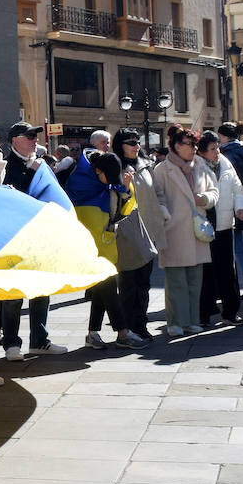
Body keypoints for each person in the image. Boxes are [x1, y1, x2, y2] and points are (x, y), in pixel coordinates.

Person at [2, 121, 67, 359]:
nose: (35, 140)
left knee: (42, 289)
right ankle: (11, 343)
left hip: (39, 235)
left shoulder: (40, 163)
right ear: (15, 140)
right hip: (15, 236)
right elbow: (13, 193)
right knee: (13, 294)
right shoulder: (6, 164)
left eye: (35, 136)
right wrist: (32, 170)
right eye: (30, 136)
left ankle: (40, 340)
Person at [153, 125, 218, 336]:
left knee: (194, 278)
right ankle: (175, 322)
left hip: (196, 229)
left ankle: (191, 320)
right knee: (175, 280)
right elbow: (157, 196)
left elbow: (214, 189)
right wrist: (165, 214)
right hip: (174, 229)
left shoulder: (200, 164)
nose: (193, 149)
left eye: (194, 144)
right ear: (176, 146)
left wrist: (206, 199)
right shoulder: (163, 169)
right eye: (189, 145)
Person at [64, 149, 130, 348]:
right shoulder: (80, 180)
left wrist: (124, 188)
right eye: (106, 178)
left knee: (103, 288)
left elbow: (122, 204)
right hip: (91, 241)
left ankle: (93, 334)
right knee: (108, 285)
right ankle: (123, 332)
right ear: (97, 170)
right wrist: (120, 188)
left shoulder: (101, 175)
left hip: (103, 239)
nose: (108, 182)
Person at [197, 130, 243, 326]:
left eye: (217, 147)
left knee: (228, 270)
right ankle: (204, 313)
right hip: (204, 226)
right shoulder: (195, 167)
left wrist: (241, 208)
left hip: (226, 224)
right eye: (212, 148)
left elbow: (238, 188)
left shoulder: (225, 163)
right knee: (205, 272)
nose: (217, 151)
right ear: (201, 152)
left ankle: (230, 312)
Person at [116, 129, 161, 346]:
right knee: (128, 285)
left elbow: (157, 193)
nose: (136, 146)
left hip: (148, 232)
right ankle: (128, 328)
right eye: (130, 142)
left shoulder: (145, 165)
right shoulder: (116, 167)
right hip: (127, 234)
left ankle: (141, 325)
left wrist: (162, 212)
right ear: (120, 144)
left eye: (137, 142)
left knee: (144, 283)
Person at [218, 122, 243, 299]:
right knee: (238, 243)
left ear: (224, 136)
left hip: (230, 202)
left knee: (234, 245)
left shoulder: (228, 154)